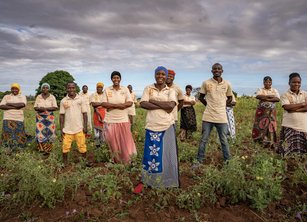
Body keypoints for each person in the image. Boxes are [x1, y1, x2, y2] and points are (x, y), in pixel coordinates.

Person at [134, 66, 179, 193]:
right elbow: (143, 104)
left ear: (166, 76)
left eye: (163, 74)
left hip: (167, 126)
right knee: (150, 155)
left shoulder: (170, 91)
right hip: (152, 126)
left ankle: (167, 181)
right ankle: (148, 180)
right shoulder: (148, 88)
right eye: (158, 74)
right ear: (154, 75)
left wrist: (153, 101)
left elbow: (170, 107)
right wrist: (161, 105)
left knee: (166, 155)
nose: (160, 76)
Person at [194, 63, 233, 165]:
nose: (216, 70)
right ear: (212, 71)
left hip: (221, 117)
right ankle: (199, 160)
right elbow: (201, 97)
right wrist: (208, 105)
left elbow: (230, 98)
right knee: (203, 140)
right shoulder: (206, 83)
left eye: (219, 69)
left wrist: (223, 106)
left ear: (222, 71)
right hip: (208, 116)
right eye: (214, 69)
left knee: (224, 140)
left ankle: (227, 161)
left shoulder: (227, 84)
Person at [101, 71, 137, 164]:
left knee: (124, 142)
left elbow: (129, 102)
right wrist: (120, 106)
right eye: (114, 78)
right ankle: (114, 160)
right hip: (110, 120)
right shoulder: (107, 90)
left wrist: (112, 106)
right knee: (111, 141)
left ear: (120, 79)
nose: (116, 79)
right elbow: (104, 103)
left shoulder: (124, 89)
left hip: (123, 119)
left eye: (117, 78)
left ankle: (127, 160)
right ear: (111, 79)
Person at [60, 82, 89, 166]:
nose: (71, 89)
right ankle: (65, 163)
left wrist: (85, 126)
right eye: (69, 88)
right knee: (65, 147)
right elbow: (61, 115)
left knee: (82, 146)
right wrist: (61, 129)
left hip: (79, 128)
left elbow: (85, 114)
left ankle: (84, 162)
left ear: (75, 88)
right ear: (66, 89)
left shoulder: (81, 99)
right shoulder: (63, 101)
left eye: (72, 88)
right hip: (67, 129)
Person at [278, 73, 307, 155]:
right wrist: (302, 104)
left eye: (298, 82)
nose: (296, 84)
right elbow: (287, 107)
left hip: (304, 126)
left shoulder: (305, 94)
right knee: (292, 152)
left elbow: (290, 109)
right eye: (294, 82)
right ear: (289, 83)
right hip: (290, 126)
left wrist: (294, 109)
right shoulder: (285, 95)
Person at [252, 76, 280, 148]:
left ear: (271, 83)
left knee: (271, 125)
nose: (268, 83)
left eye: (269, 82)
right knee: (260, 125)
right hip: (261, 112)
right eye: (266, 82)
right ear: (263, 82)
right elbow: (258, 96)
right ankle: (259, 141)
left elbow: (277, 99)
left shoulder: (275, 90)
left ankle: (271, 142)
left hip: (271, 111)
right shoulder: (260, 89)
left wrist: (265, 97)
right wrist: (270, 97)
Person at [0, 83, 30, 148]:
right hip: (7, 118)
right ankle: (7, 148)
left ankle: (19, 148)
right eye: (12, 89)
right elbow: (1, 106)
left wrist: (9, 104)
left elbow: (22, 105)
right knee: (7, 134)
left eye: (16, 89)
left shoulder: (22, 96)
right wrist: (16, 106)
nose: (14, 90)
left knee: (19, 134)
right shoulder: (6, 96)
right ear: (11, 89)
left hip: (18, 118)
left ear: (19, 89)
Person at [34, 83, 58, 154]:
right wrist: (39, 108)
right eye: (43, 88)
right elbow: (35, 107)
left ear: (49, 89)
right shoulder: (38, 97)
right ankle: (41, 149)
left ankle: (48, 149)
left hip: (49, 118)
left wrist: (45, 108)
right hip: (40, 118)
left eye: (47, 87)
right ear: (41, 89)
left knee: (49, 132)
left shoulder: (52, 97)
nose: (45, 89)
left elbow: (55, 107)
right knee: (40, 132)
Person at [90, 82, 106, 148]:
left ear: (102, 88)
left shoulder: (105, 95)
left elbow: (106, 103)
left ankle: (102, 146)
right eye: (98, 87)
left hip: (104, 113)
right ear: (96, 88)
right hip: (96, 113)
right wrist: (102, 103)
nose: (99, 88)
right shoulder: (93, 95)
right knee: (96, 133)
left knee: (103, 132)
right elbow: (93, 104)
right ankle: (97, 145)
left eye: (100, 87)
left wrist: (98, 104)